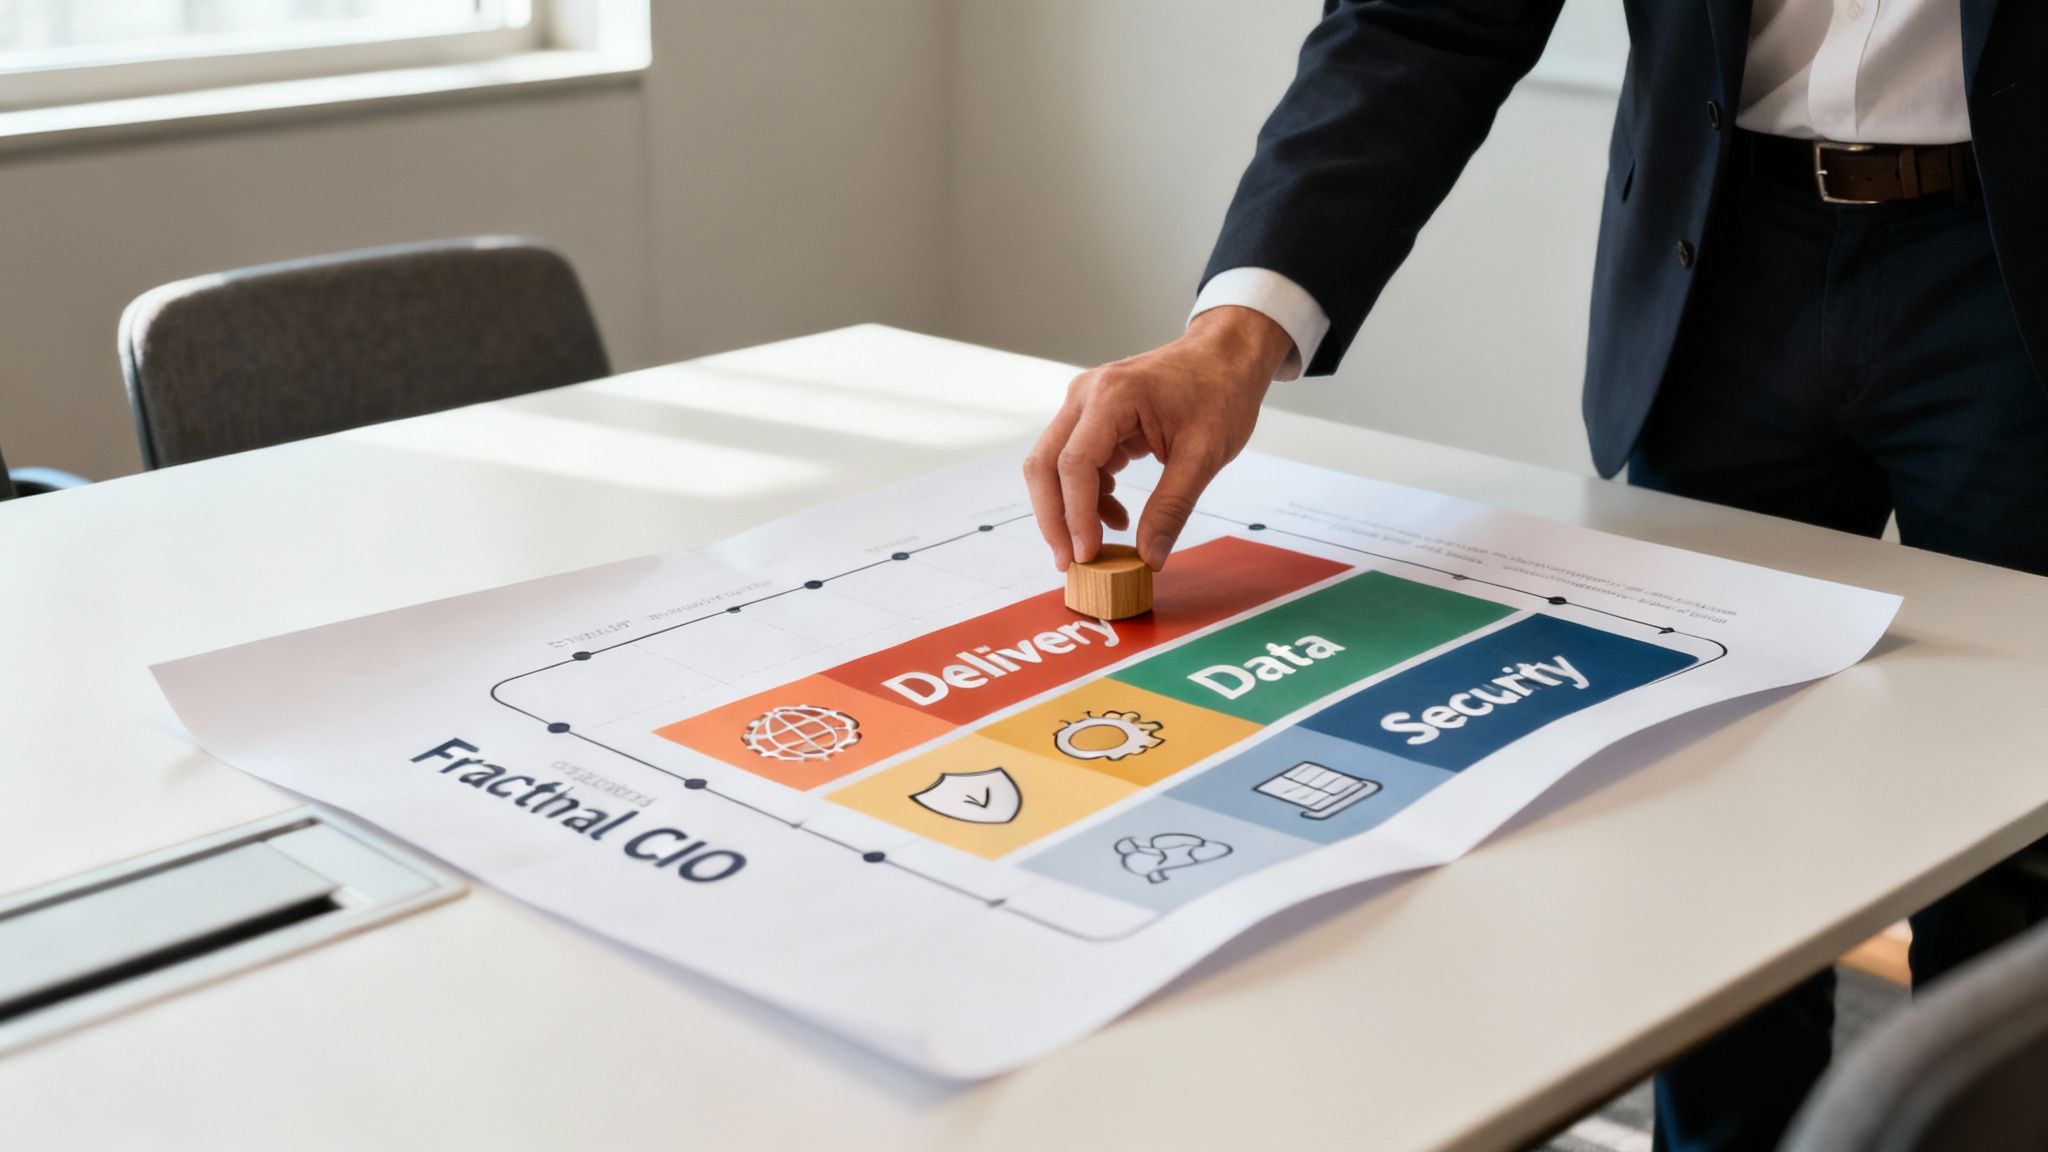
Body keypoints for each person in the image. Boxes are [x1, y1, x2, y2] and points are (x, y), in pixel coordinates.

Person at [1022, 3, 2048, 1149]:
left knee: (2020, 852)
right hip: (1718, 260)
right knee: (1707, 814)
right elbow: (1419, 19)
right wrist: (1232, 333)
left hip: (2014, 261)